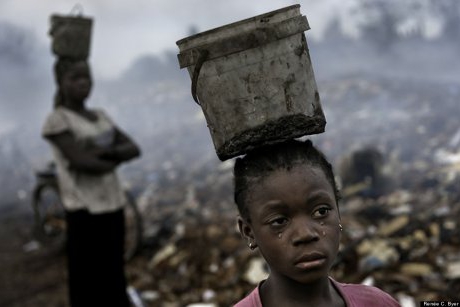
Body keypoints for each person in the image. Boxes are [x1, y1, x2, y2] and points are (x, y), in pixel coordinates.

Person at [232, 139, 400, 307]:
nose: (306, 234)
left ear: (338, 212)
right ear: (248, 232)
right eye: (279, 221)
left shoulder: (376, 303)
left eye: (321, 212)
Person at [42, 57, 141, 307]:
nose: (83, 83)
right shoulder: (58, 119)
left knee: (114, 274)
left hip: (112, 203)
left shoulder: (100, 115)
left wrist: (103, 155)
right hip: (84, 210)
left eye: (86, 76)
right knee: (87, 281)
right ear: (60, 82)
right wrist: (112, 155)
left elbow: (133, 148)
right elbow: (82, 162)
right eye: (75, 78)